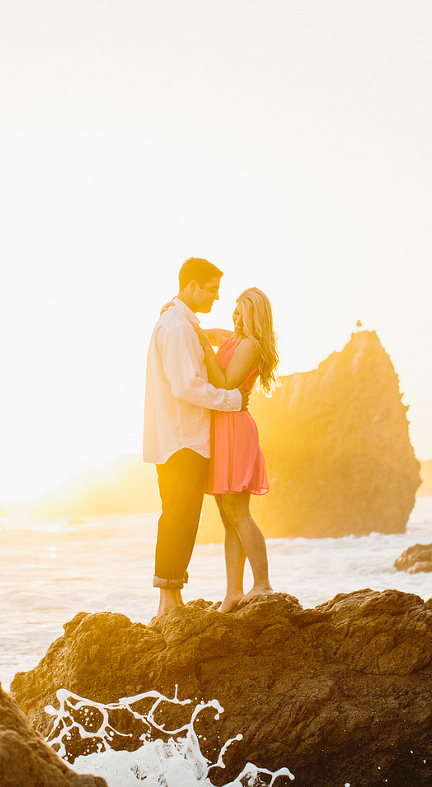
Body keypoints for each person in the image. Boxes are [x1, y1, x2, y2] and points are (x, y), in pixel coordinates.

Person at [143, 258, 247, 618]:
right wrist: (231, 400)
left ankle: (169, 600)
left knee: (179, 516)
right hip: (182, 439)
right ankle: (168, 603)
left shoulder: (181, 322)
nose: (216, 298)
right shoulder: (177, 328)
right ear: (192, 287)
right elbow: (187, 386)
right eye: (212, 290)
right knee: (179, 517)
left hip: (178, 437)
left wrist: (219, 336)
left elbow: (197, 349)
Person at [193, 287, 279, 613]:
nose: (235, 315)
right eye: (234, 309)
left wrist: (203, 346)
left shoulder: (250, 346)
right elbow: (210, 333)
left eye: (241, 310)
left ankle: (263, 584)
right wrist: (181, 317)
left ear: (253, 314)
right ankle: (233, 592)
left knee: (239, 512)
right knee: (228, 518)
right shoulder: (232, 338)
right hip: (220, 428)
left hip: (234, 429)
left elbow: (226, 383)